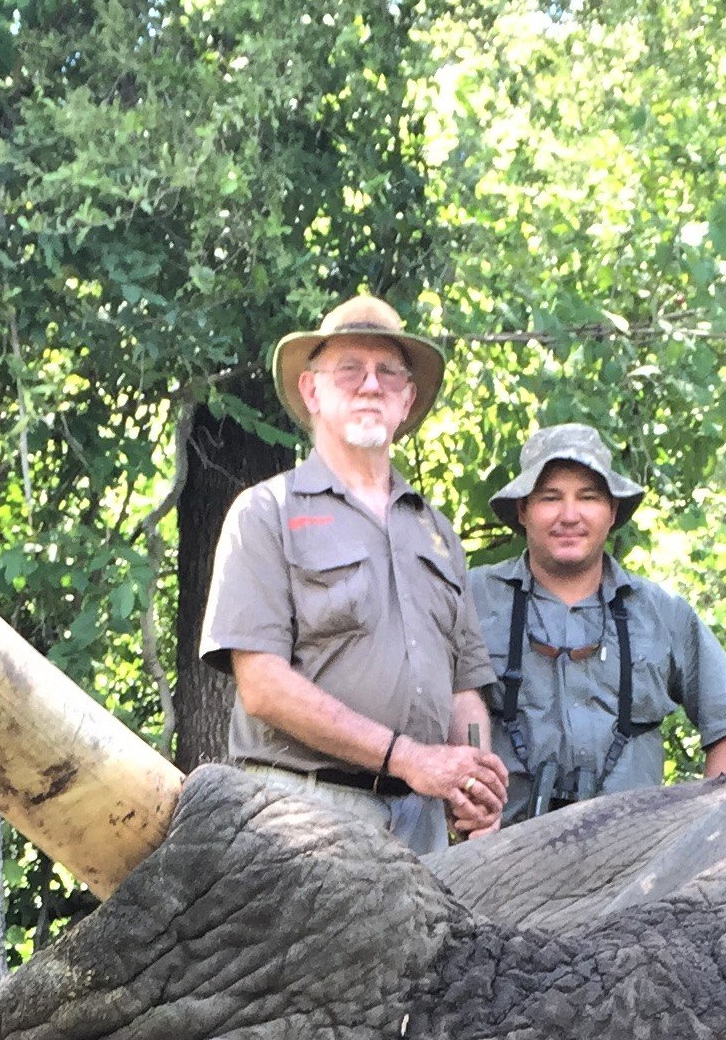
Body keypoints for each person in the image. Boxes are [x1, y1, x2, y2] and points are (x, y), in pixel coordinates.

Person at [199, 294, 508, 857]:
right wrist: (407, 757)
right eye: (350, 370)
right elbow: (263, 686)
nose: (371, 385)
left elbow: (464, 688)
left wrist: (474, 785)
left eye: (388, 372)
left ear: (408, 398)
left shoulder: (435, 531)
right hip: (301, 817)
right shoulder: (267, 512)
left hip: (423, 828)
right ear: (311, 391)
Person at [469, 425, 726, 820]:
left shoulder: (662, 612)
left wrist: (698, 825)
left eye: (588, 497)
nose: (569, 515)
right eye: (550, 498)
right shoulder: (471, 598)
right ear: (523, 510)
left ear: (612, 512)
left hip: (633, 859)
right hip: (496, 852)